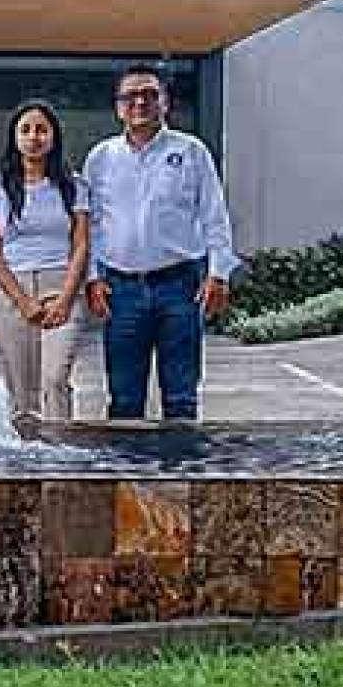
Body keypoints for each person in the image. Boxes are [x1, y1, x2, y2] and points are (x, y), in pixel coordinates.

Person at [83, 64, 238, 421]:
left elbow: (214, 216)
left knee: (181, 397)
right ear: (118, 106)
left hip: (180, 287)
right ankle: (126, 476)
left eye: (150, 95)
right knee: (123, 399)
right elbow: (87, 225)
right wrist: (92, 279)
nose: (140, 102)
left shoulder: (191, 152)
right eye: (130, 96)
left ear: (165, 102)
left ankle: (182, 475)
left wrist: (219, 275)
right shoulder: (101, 157)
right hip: (120, 290)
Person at [0, 100, 91, 421]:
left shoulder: (74, 185)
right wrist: (23, 301)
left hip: (62, 286)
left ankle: (60, 457)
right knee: (22, 391)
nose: (34, 137)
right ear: (14, 138)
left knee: (55, 379)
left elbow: (81, 244)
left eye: (42, 129)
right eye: (25, 130)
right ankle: (26, 464)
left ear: (54, 136)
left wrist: (66, 299)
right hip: (14, 290)